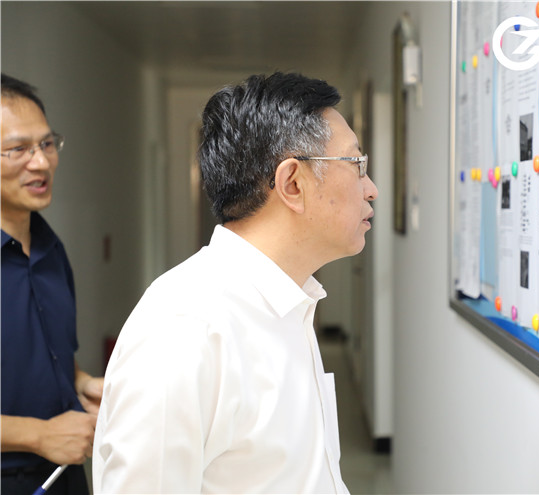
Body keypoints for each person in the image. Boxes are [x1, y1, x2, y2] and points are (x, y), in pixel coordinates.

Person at [93, 72, 379, 493]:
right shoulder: (185, 327)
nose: (371, 189)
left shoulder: (288, 303)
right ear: (293, 183)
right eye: (357, 166)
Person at [1, 74, 104, 495]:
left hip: (66, 476)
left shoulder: (51, 249)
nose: (41, 163)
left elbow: (48, 353)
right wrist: (39, 435)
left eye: (46, 144)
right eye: (18, 149)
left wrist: (82, 384)